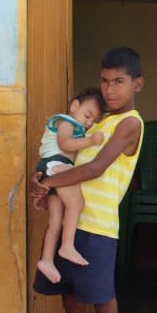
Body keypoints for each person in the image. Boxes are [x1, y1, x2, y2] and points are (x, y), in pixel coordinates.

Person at [22, 47, 144, 313]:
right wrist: (48, 186)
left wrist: (50, 181)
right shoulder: (97, 124)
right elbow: (73, 162)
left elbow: (97, 169)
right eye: (105, 81)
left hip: (99, 230)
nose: (110, 90)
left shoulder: (131, 124)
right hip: (73, 227)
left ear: (137, 84)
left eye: (119, 82)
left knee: (105, 309)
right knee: (72, 304)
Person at [34, 88, 106, 284]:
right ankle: (67, 246)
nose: (88, 122)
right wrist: (90, 141)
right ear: (74, 106)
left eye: (93, 121)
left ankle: (47, 260)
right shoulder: (66, 122)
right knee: (76, 204)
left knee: (56, 220)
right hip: (56, 165)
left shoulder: (78, 127)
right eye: (87, 115)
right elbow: (65, 144)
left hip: (53, 169)